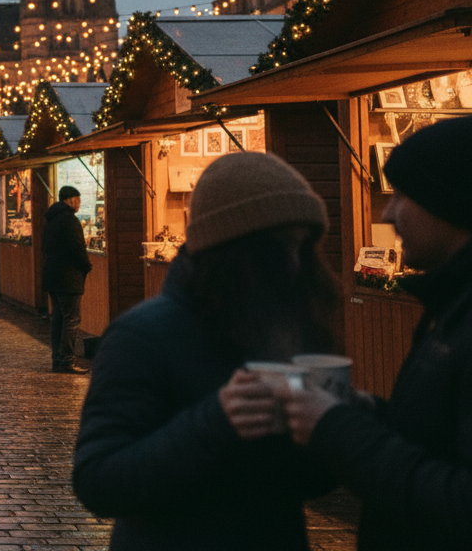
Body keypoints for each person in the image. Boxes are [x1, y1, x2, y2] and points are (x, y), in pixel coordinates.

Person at [73, 152, 339, 550]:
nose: (293, 265)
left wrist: (338, 426)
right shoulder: (142, 335)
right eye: (279, 247)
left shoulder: (290, 325)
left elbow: (300, 481)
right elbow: (99, 481)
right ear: (230, 250)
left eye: (303, 248)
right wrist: (215, 421)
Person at [281, 115, 472, 549]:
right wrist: (362, 409)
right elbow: (433, 439)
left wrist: (333, 425)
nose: (388, 212)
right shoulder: (451, 302)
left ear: (450, 202)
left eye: (404, 195)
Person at [42, 186, 94, 373]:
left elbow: (44, 247)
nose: (79, 204)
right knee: (71, 320)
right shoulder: (70, 220)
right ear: (71, 200)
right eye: (78, 200)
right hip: (68, 277)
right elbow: (77, 248)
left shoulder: (50, 219)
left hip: (52, 276)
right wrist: (86, 266)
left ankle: (57, 359)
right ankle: (66, 361)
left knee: (58, 318)